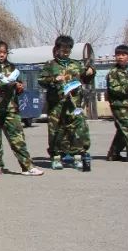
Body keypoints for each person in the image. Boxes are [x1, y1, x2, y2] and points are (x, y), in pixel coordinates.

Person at [0, 41, 43, 176]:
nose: (1, 55)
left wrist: (19, 87)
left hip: (11, 108)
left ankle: (27, 166)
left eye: (4, 52)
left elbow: (20, 85)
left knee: (18, 139)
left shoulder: (12, 68)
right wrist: (2, 85)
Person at [39, 35, 94, 170]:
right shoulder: (50, 65)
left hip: (74, 104)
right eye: (63, 49)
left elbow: (86, 79)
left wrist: (90, 72)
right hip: (56, 105)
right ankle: (56, 156)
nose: (66, 52)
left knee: (76, 130)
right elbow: (41, 80)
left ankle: (77, 156)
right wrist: (54, 79)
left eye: (68, 49)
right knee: (56, 131)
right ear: (57, 49)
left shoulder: (76, 64)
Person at [105, 44, 128, 161]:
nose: (120, 57)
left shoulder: (127, 71)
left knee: (122, 130)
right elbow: (115, 89)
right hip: (119, 105)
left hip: (127, 104)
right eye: (118, 55)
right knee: (127, 127)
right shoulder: (113, 72)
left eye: (123, 55)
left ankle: (113, 153)